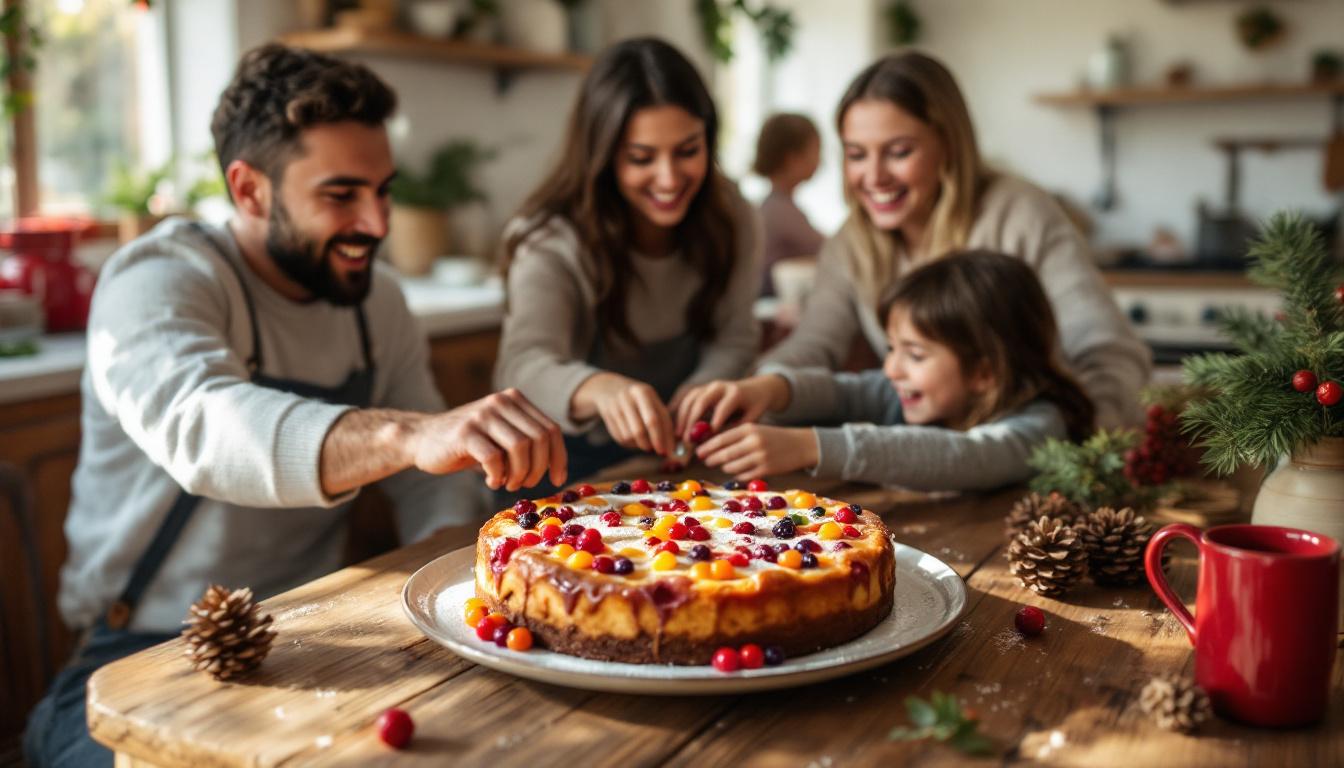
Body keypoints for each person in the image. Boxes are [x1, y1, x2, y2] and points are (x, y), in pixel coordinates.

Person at [24, 44, 565, 768]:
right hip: (136, 657)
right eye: (341, 195)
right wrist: (409, 434)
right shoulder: (156, 281)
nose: (376, 222)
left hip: (316, 632)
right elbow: (204, 427)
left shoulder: (377, 300)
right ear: (249, 190)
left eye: (384, 189)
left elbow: (425, 488)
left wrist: (472, 597)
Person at [733, 52, 1148, 431]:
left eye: (898, 151)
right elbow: (815, 344)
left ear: (948, 144)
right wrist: (759, 389)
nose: (874, 177)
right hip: (939, 459)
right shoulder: (850, 243)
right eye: (857, 154)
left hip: (1038, 452)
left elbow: (1107, 349)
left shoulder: (1021, 216)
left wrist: (1087, 445)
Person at [495, 37, 761, 485]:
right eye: (641, 157)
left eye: (688, 150)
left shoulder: (732, 214)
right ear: (602, 155)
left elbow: (735, 337)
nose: (669, 178)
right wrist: (600, 389)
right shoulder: (550, 237)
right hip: (565, 467)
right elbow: (522, 364)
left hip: (686, 460)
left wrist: (702, 391)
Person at [695, 250, 1094, 490]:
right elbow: (844, 391)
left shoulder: (1040, 427)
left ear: (984, 373)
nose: (891, 369)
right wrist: (771, 389)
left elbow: (968, 456)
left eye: (915, 355)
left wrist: (810, 446)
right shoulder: (908, 393)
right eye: (890, 349)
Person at [751, 112, 825, 297]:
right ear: (792, 159)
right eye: (816, 151)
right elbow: (833, 251)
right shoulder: (779, 212)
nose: (821, 160)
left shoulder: (772, 206)